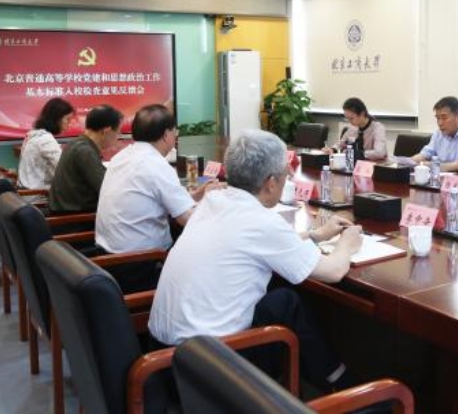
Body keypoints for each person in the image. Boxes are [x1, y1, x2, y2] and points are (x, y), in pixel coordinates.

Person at [149, 129, 362, 391]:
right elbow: (332, 272)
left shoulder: (213, 201)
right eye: (285, 174)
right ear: (271, 182)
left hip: (163, 359)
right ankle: (340, 384)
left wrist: (315, 235)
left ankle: (326, 377)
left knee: (278, 296)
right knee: (286, 301)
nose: (286, 178)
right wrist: (347, 244)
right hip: (206, 371)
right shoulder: (261, 221)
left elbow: (252, 243)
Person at [96, 104, 217, 254]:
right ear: (166, 135)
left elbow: (158, 197)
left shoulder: (121, 157)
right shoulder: (155, 164)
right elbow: (187, 219)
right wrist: (214, 202)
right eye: (175, 132)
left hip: (108, 253)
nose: (176, 136)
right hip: (142, 258)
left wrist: (197, 194)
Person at [48, 104, 123, 213]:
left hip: (69, 210)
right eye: (118, 131)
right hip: (76, 218)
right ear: (106, 131)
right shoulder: (85, 151)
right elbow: (107, 189)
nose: (118, 136)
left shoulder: (77, 143)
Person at [17, 98, 75, 190]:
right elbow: (64, 170)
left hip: (26, 190)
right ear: (56, 118)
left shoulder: (34, 134)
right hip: (38, 194)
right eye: (67, 119)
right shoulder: (46, 139)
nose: (69, 124)